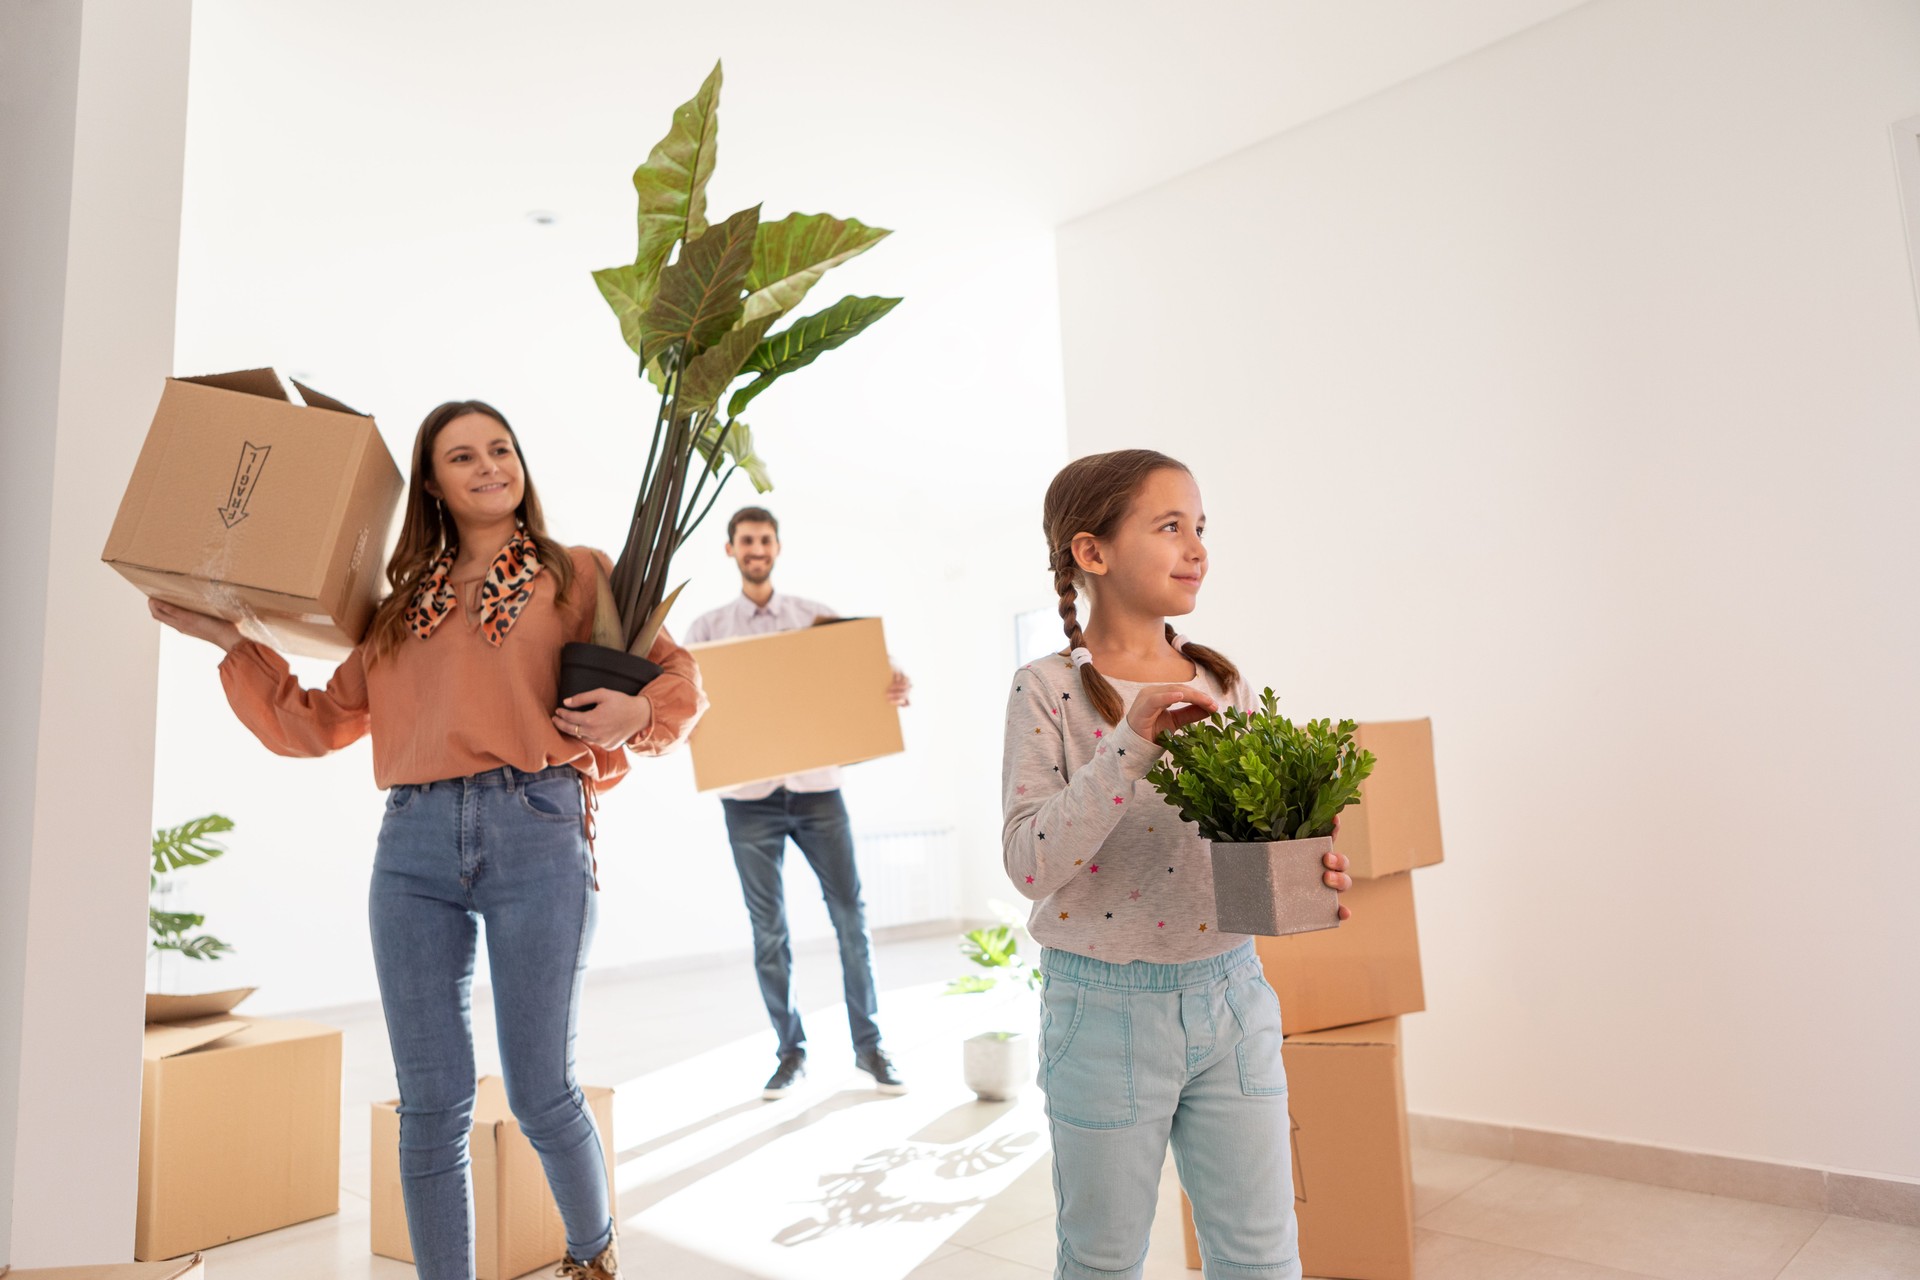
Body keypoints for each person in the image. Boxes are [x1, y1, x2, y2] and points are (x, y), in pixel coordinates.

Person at [150, 400, 707, 1280]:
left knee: (542, 1093)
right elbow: (312, 725)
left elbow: (678, 680)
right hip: (411, 850)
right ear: (433, 484)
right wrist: (233, 640)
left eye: (502, 448)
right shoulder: (398, 607)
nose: (491, 465)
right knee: (431, 1104)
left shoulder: (580, 575)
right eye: (464, 456)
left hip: (538, 829)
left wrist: (641, 711)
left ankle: (592, 1258)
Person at [1001, 449, 1354, 1280]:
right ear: (1092, 553)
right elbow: (1027, 862)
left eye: (1200, 527)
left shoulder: (1219, 681)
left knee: (1262, 1253)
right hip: (1103, 1009)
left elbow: (1237, 842)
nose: (1196, 546)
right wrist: (1128, 745)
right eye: (1169, 526)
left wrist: (1306, 865)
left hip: (1233, 995)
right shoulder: (1045, 688)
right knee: (1104, 1260)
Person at [681, 506, 912, 1100]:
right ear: (730, 550)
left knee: (849, 918)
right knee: (769, 932)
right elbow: (680, 703)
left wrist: (893, 680)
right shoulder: (705, 631)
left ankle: (870, 1047)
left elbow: (867, 671)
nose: (756, 549)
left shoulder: (815, 617)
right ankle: (791, 1052)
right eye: (745, 541)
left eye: (764, 540)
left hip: (817, 791)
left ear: (776, 547)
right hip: (747, 801)